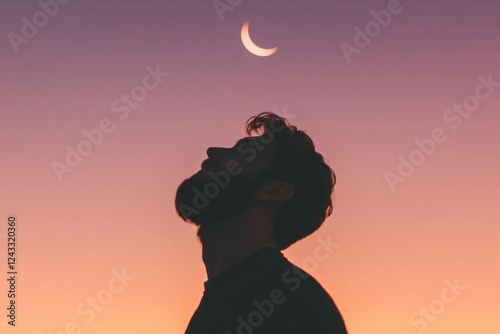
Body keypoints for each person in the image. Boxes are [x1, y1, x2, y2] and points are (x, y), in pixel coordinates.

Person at [175, 112, 348, 333]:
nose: (213, 152)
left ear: (274, 191)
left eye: (243, 153)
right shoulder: (228, 299)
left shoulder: (293, 305)